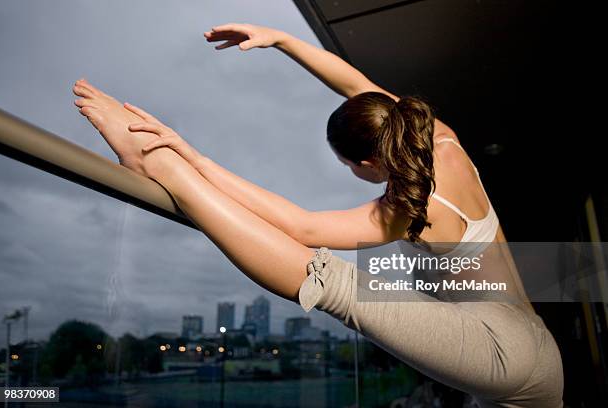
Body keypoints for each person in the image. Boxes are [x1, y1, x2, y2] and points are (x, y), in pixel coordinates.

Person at [71, 23, 564, 407]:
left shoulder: (408, 209)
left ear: (369, 163)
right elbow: (355, 84)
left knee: (334, 284)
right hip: (531, 346)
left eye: (348, 166)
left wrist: (190, 159)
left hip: (505, 355)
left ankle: (162, 167)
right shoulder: (440, 138)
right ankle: (170, 167)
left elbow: (300, 227)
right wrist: (282, 40)